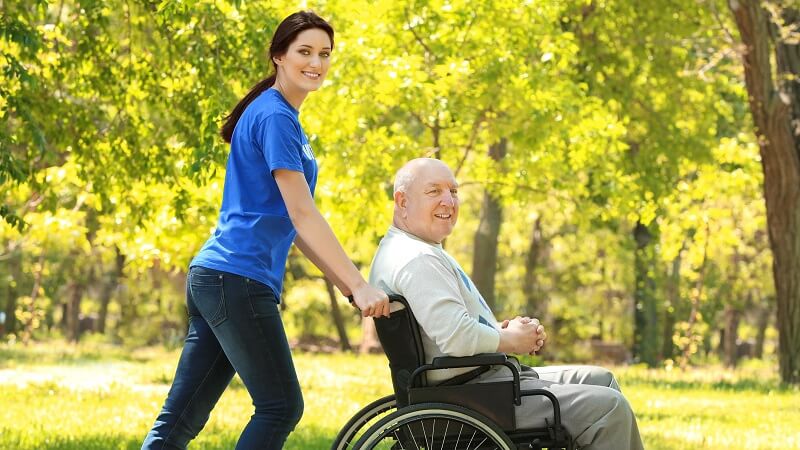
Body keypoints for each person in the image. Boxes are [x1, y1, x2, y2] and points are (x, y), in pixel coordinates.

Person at [141, 11, 389, 450]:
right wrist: (358, 282)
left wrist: (351, 289)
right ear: (279, 56)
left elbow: (295, 225)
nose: (316, 62)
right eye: (305, 52)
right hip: (236, 278)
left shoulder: (279, 115)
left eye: (325, 54)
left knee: (179, 422)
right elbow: (303, 215)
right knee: (280, 406)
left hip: (217, 277)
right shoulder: (275, 116)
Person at [369, 158, 644, 450]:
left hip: (473, 379)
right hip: (469, 393)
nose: (449, 200)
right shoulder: (418, 259)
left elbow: (445, 327)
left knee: (601, 378)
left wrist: (498, 329)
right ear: (402, 201)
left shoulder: (410, 249)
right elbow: (456, 338)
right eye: (434, 191)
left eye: (453, 191)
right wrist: (510, 340)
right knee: (610, 408)